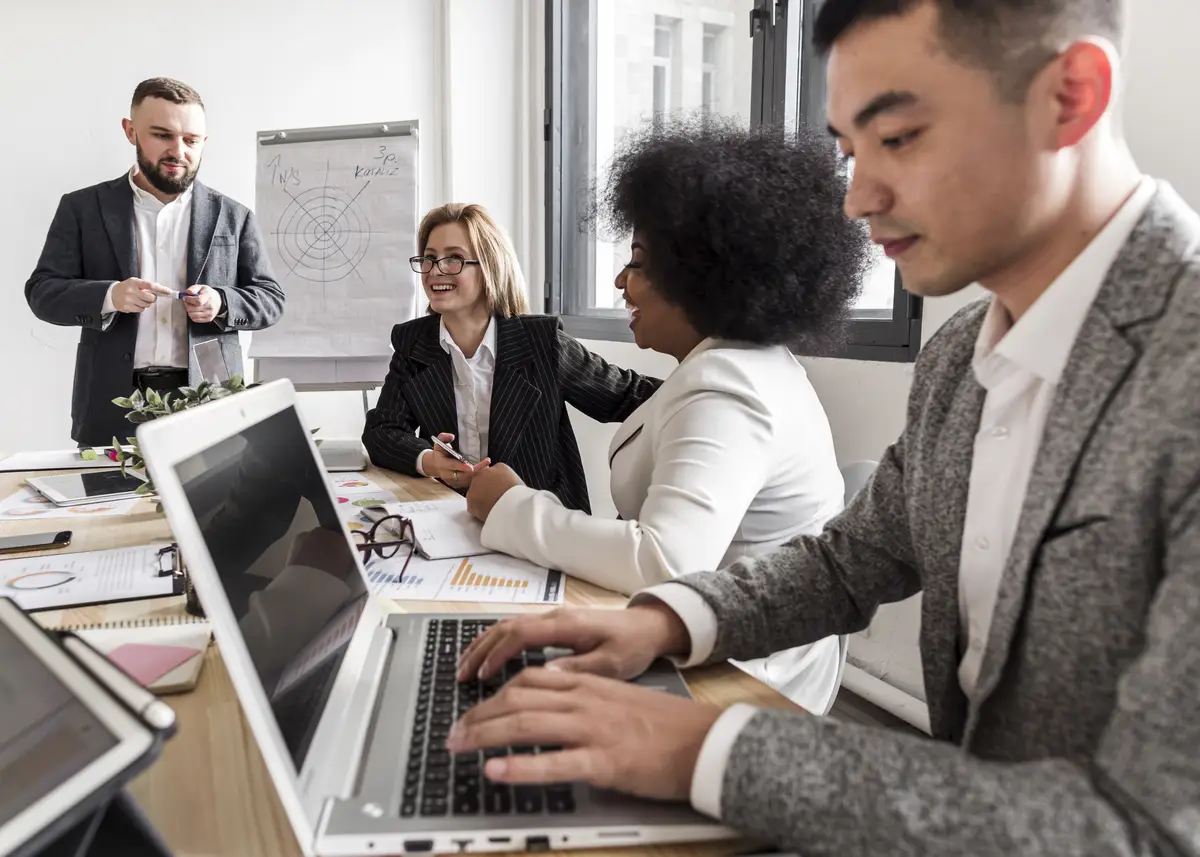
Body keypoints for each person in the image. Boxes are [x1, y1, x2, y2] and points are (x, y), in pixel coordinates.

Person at [444, 1, 1200, 854]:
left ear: (1073, 94)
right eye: (849, 151)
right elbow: (851, 560)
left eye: (901, 137)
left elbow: (1151, 826)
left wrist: (703, 746)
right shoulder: (961, 356)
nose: (856, 200)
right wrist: (665, 619)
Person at [464, 119, 867, 712]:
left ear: (704, 275)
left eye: (639, 263)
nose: (621, 282)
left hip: (744, 680)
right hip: (706, 636)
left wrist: (510, 505)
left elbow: (665, 563)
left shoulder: (730, 385)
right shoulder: (738, 364)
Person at [25, 77, 285, 447]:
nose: (178, 151)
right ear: (130, 132)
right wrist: (110, 296)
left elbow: (271, 299)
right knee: (108, 505)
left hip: (210, 401)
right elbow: (42, 292)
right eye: (162, 135)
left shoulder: (234, 215)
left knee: (214, 507)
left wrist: (222, 303)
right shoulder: (82, 209)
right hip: (112, 403)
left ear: (203, 142)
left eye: (191, 140)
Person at [362, 203, 660, 513]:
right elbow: (381, 432)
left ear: (490, 266)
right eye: (429, 258)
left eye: (453, 259)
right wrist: (430, 462)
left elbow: (630, 396)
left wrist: (705, 378)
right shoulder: (413, 343)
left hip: (539, 522)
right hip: (450, 519)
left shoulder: (542, 342)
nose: (436, 270)